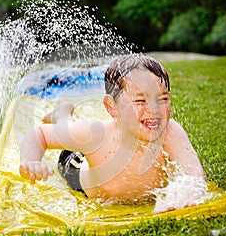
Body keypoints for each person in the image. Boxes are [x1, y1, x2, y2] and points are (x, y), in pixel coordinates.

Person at [19, 53, 205, 211]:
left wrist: (183, 196)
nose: (154, 110)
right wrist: (31, 161)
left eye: (162, 99)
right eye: (140, 101)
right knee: (67, 130)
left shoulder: (171, 132)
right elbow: (39, 134)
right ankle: (62, 114)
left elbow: (195, 175)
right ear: (112, 107)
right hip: (76, 165)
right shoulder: (97, 136)